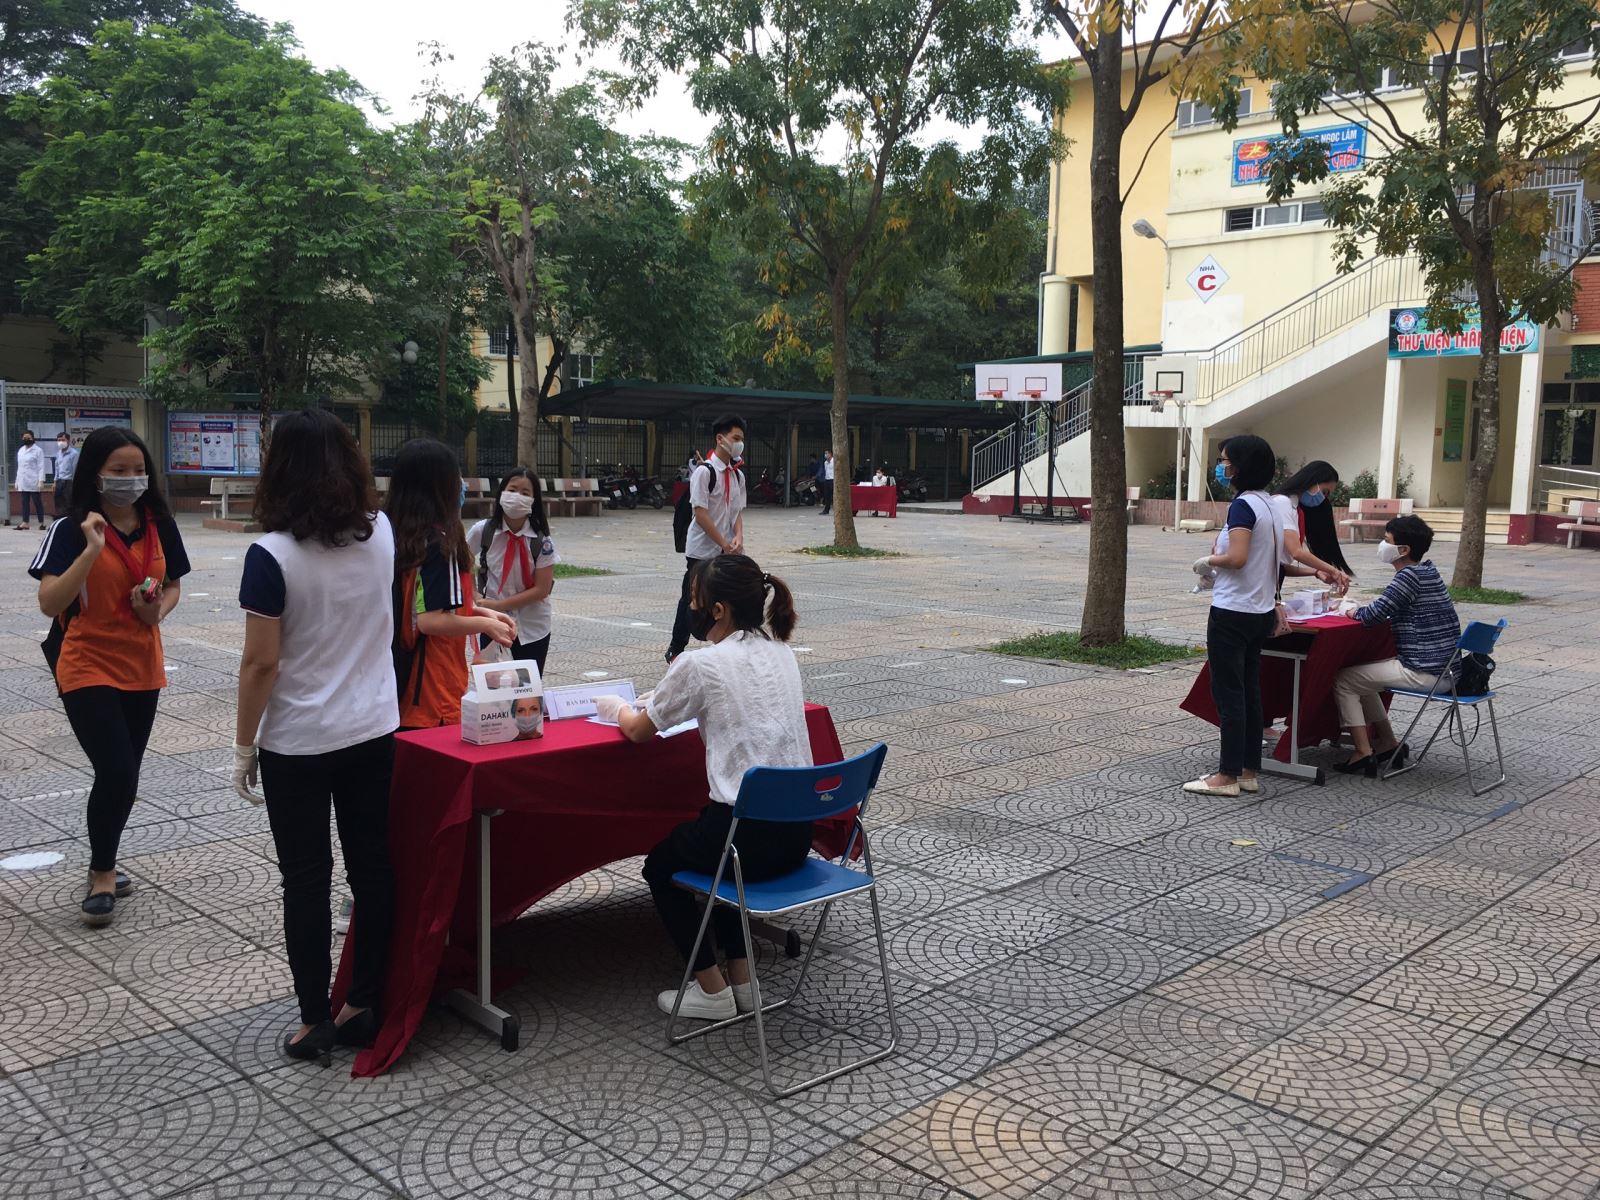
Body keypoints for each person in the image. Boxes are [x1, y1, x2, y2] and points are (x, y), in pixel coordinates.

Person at [231, 408, 398, 1063]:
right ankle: (362, 1003)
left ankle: (313, 1020)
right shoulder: (380, 533)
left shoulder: (271, 555)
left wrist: (244, 745)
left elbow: (260, 663)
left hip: (298, 741)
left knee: (305, 879)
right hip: (373, 727)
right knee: (372, 866)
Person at [597, 554, 813, 1021]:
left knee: (662, 866)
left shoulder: (701, 663)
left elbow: (637, 730)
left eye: (693, 601)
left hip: (743, 840)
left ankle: (711, 990)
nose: (689, 609)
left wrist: (615, 707)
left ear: (718, 609)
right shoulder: (782, 652)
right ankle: (744, 980)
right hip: (797, 835)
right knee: (721, 860)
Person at [30, 427, 189, 925]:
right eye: (118, 470)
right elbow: (49, 602)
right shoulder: (71, 528)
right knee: (116, 769)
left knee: (126, 777)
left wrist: (157, 608)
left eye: (137, 469)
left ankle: (105, 855)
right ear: (95, 474)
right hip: (86, 662)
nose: (130, 478)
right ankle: (102, 873)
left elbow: (172, 584)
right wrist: (91, 551)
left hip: (141, 663)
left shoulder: (159, 523)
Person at [385, 439, 515, 730]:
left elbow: (424, 604)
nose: (462, 484)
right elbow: (431, 620)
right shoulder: (438, 545)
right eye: (456, 476)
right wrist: (485, 625)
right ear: (439, 486)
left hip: (399, 686)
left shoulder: (399, 536)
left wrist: (481, 612)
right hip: (432, 693)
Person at [1186, 434, 1282, 798]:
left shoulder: (1243, 506)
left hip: (1232, 612)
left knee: (1229, 695)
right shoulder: (1271, 505)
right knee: (1250, 692)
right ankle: (1247, 771)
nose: (1221, 467)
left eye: (1225, 461)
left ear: (1240, 467)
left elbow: (1238, 558)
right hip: (1259, 610)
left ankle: (1226, 776)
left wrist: (1208, 561)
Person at [1330, 515, 1461, 775]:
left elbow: (1373, 615)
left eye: (1386, 540)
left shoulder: (1408, 577)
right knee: (1361, 677)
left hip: (1426, 671)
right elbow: (1387, 606)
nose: (1382, 545)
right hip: (1446, 670)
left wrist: (1347, 609)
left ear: (1403, 550)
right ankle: (1388, 743)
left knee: (1344, 680)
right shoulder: (1428, 572)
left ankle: (1362, 752)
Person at [666, 414, 746, 664]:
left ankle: (725, 646)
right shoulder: (705, 472)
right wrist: (723, 542)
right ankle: (676, 649)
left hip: (727, 550)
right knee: (691, 598)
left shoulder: (738, 475)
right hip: (702, 550)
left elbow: (737, 512)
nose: (739, 444)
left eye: (741, 439)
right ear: (720, 439)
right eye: (735, 438)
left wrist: (738, 536)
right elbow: (700, 513)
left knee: (727, 598)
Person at [466, 468, 559, 677]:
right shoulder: (483, 531)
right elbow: (462, 560)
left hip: (533, 627)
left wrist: (499, 606)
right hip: (493, 623)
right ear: (501, 494)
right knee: (494, 687)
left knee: (527, 688)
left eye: (525, 493)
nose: (517, 497)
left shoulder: (542, 541)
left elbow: (542, 589)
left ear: (533, 501)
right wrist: (474, 594)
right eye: (512, 490)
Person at [1270, 461, 1353, 593]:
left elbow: (1279, 567)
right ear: (1312, 480)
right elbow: (1296, 552)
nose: (1323, 499)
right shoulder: (1282, 503)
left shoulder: (1294, 509)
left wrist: (1316, 572)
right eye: (1324, 492)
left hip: (1269, 589)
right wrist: (1333, 571)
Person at [14, 430, 45, 531]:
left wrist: (41, 480)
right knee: (24, 502)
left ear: (32, 438)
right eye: (24, 438)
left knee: (37, 502)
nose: (26, 439)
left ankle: (41, 522)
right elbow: (20, 467)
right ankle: (25, 522)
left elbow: (41, 466)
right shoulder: (21, 450)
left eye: (28, 438)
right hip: (23, 481)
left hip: (34, 481)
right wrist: (17, 481)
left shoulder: (38, 450)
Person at [53, 434, 78, 518]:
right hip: (59, 481)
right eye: (59, 440)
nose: (60, 442)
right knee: (58, 502)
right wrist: (55, 482)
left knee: (68, 503)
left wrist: (74, 484)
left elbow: (74, 469)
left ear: (68, 440)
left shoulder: (74, 453)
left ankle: (69, 519)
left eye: (63, 440)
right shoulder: (58, 453)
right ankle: (60, 518)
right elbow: (57, 468)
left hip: (69, 481)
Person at [819, 449, 835, 514]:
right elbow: (826, 471)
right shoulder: (825, 463)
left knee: (834, 496)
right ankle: (826, 510)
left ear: (830, 454)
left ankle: (837, 510)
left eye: (826, 453)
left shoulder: (834, 461)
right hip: (827, 480)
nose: (825, 455)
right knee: (827, 495)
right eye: (825, 453)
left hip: (833, 480)